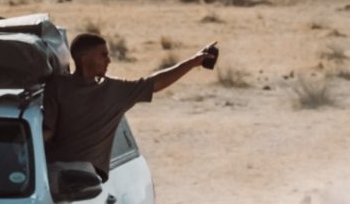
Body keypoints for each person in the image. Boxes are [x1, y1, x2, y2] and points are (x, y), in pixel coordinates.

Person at [42, 32, 218, 179]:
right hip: (52, 173)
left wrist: (194, 62)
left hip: (86, 179)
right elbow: (47, 131)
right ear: (84, 59)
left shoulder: (114, 90)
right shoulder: (58, 86)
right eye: (103, 55)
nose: (108, 60)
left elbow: (155, 83)